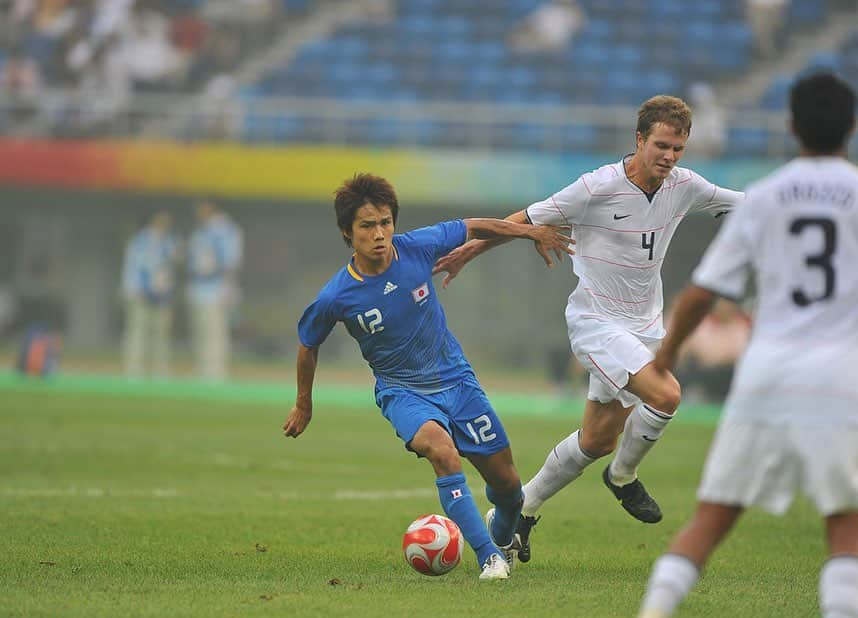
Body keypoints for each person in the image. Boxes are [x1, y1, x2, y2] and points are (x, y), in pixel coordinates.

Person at [603, 72, 858, 618]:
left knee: (713, 515)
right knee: (846, 523)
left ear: (791, 127)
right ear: (853, 128)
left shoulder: (767, 195)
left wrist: (665, 357)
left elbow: (700, 295)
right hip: (841, 375)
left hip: (767, 373)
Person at [434, 95, 743, 562]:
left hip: (643, 328)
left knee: (596, 439)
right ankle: (622, 478)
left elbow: (750, 205)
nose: (669, 156)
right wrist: (469, 250)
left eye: (678, 149)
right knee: (667, 394)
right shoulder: (596, 187)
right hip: (596, 323)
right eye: (661, 145)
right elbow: (525, 219)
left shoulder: (685, 186)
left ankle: (525, 511)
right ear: (639, 139)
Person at [282, 173, 573, 580]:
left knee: (509, 489)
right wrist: (303, 404)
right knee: (442, 451)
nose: (379, 233)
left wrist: (530, 232)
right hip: (402, 392)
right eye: (367, 226)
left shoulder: (417, 247)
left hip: (457, 381)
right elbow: (307, 344)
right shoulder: (337, 296)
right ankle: (489, 556)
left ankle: (502, 533)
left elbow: (472, 226)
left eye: (385, 222)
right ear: (348, 233)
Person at [188, 199, 243, 381]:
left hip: (217, 289)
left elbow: (231, 261)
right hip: (199, 289)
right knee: (201, 333)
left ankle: (216, 373)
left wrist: (227, 287)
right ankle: (202, 371)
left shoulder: (224, 230)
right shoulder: (202, 231)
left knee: (216, 332)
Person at [121, 210, 179, 379]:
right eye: (162, 220)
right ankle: (133, 371)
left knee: (161, 334)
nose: (165, 224)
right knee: (138, 332)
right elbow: (133, 268)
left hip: (162, 296)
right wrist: (135, 290)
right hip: (140, 294)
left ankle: (160, 372)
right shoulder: (140, 241)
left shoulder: (168, 242)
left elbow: (172, 267)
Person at [507, 0, 585, 55]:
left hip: (556, 51)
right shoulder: (547, 11)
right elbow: (524, 27)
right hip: (540, 48)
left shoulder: (577, 16)